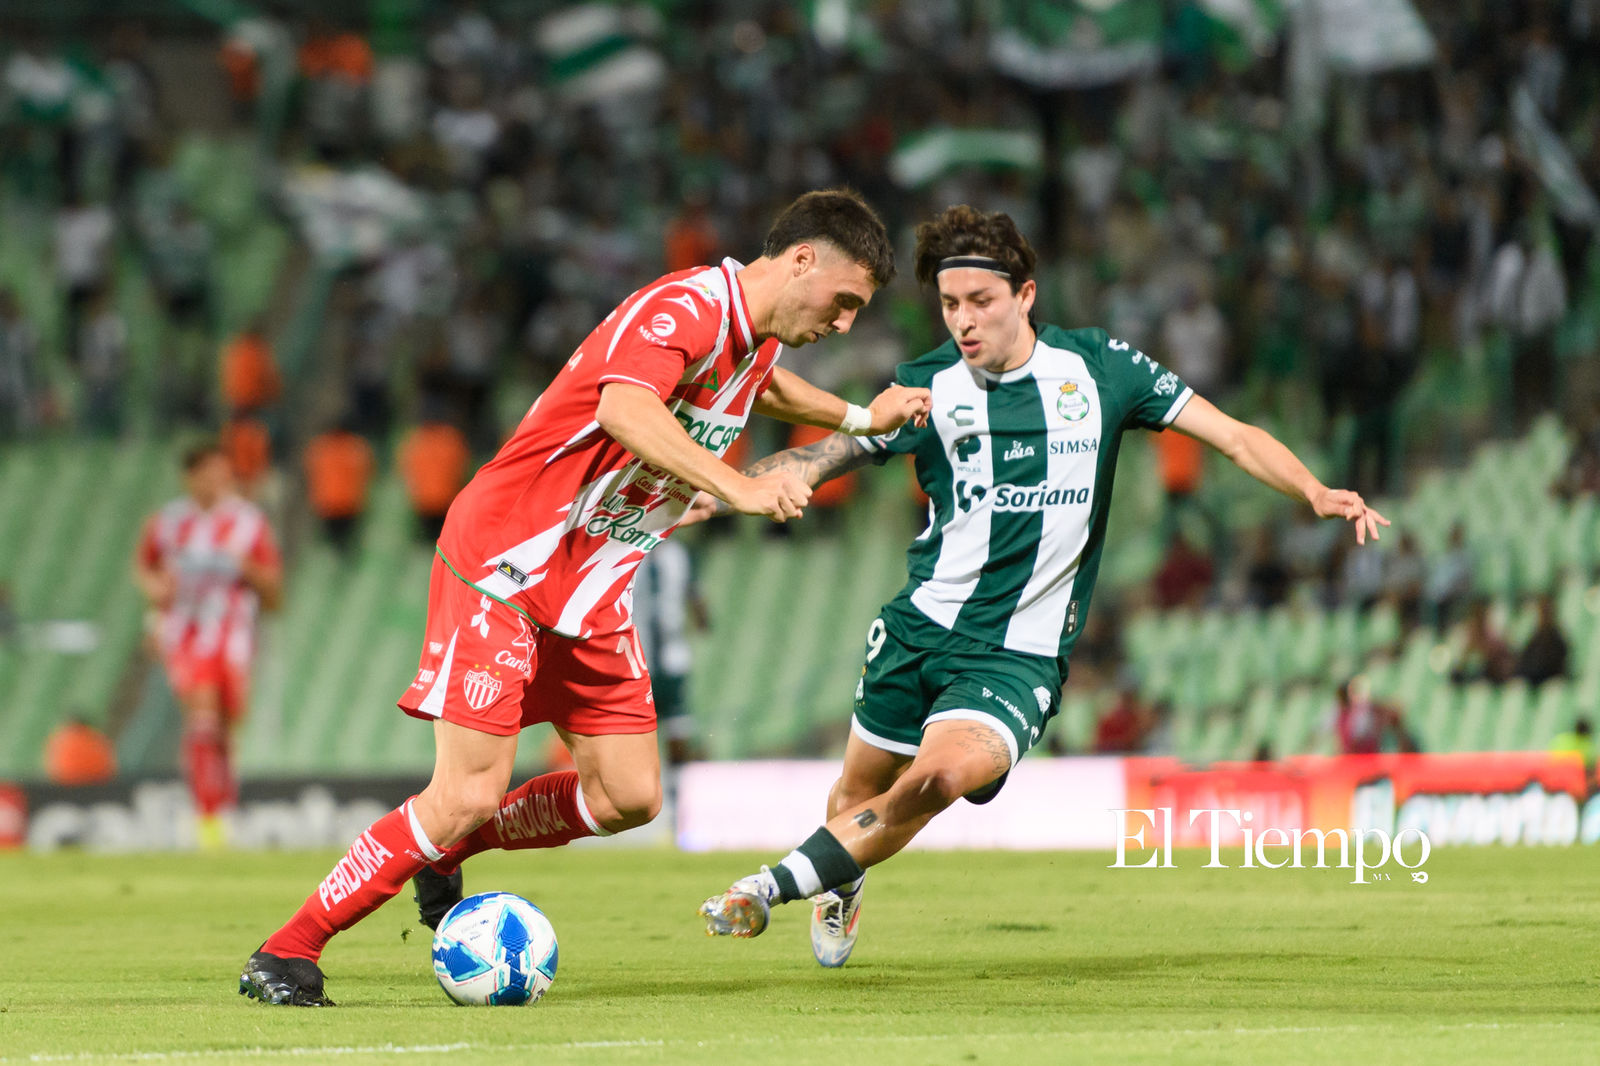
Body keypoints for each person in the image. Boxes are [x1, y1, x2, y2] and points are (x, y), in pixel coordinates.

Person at [238, 188, 932, 1006]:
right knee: (463, 792)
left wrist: (858, 413)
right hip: (509, 561)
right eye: (844, 302)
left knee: (629, 795)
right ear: (802, 260)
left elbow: (766, 390)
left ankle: (442, 844)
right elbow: (626, 405)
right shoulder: (686, 307)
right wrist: (735, 488)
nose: (845, 323)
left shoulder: (750, 342)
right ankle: (287, 952)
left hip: (592, 583)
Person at [695, 205, 1386, 967]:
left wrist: (1315, 492)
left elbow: (1232, 435)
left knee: (940, 778)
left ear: (1025, 295)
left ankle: (765, 887)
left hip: (1017, 656)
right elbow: (822, 458)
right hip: (917, 629)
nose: (964, 320)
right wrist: (716, 489)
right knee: (854, 800)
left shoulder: (1102, 370)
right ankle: (843, 879)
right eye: (950, 304)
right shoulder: (925, 385)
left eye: (981, 302)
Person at [134, 441, 282, 848]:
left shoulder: (248, 524)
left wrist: (245, 566)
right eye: (210, 472)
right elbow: (144, 567)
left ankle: (220, 807)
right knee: (203, 711)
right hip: (185, 632)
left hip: (234, 634)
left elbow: (274, 592)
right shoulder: (168, 523)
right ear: (191, 477)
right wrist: (154, 594)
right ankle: (207, 816)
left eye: (223, 472)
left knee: (225, 727)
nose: (219, 480)